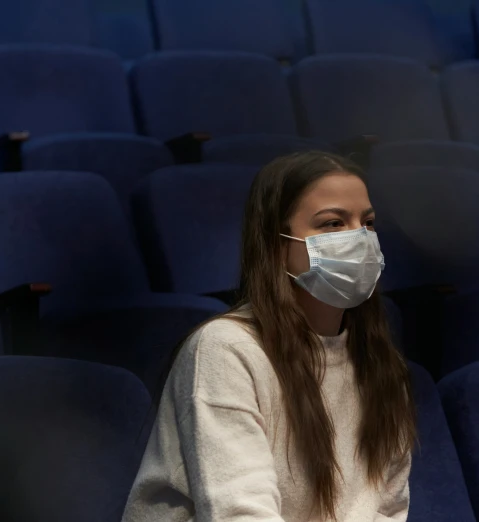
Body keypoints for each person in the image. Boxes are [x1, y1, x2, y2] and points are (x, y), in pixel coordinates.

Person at [122, 152, 416, 522]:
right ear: (277, 245)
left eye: (367, 223)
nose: (358, 238)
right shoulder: (225, 350)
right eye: (332, 224)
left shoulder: (380, 364)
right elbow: (239, 513)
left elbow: (387, 509)